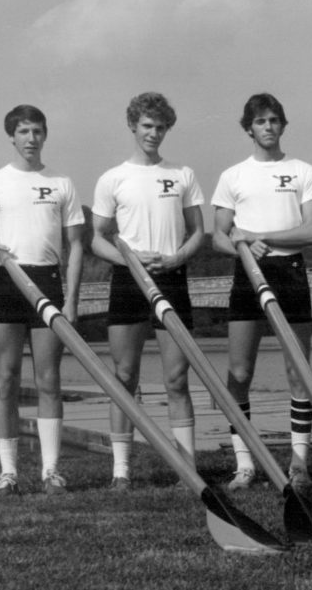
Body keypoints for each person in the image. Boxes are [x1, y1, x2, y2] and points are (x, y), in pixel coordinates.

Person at [0, 105, 84, 497]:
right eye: (24, 132)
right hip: (6, 282)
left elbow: (77, 245)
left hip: (47, 283)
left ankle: (51, 472)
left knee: (48, 380)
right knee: (6, 379)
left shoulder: (62, 182)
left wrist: (72, 300)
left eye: (37, 131)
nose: (31, 138)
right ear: (12, 137)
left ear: (45, 135)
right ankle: (9, 474)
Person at [91, 92, 205, 490]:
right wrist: (131, 261)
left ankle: (187, 468)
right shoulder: (112, 178)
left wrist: (174, 260)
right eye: (146, 126)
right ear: (133, 126)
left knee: (176, 378)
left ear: (167, 128)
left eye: (160, 127)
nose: (153, 133)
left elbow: (199, 233)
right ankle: (121, 470)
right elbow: (98, 239)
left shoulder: (183, 174)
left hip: (171, 279)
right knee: (124, 376)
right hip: (128, 280)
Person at [211, 93, 312, 492]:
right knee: (239, 373)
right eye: (261, 121)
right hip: (248, 274)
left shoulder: (303, 171)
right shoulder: (233, 176)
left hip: (290, 273)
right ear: (249, 128)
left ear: (282, 125)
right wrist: (242, 246)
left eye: (275, 120)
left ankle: (299, 465)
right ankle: (245, 464)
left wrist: (261, 236)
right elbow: (218, 236)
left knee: (299, 374)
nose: (269, 127)